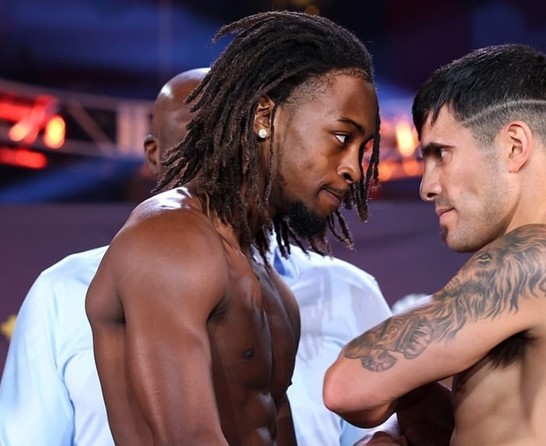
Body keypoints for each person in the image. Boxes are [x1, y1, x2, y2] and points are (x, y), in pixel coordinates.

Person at [0, 60, 391, 445]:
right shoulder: (162, 240)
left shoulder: (274, 287)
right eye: (199, 137)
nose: (216, 150)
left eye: (226, 132)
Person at [324, 43, 546, 446]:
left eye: (441, 154)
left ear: (514, 146)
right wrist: (421, 415)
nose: (428, 185)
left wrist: (403, 398)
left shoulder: (538, 252)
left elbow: (347, 388)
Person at [84, 11, 381, 445]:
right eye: (341, 137)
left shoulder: (272, 290)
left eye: (362, 149)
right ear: (264, 117)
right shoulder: (170, 238)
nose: (355, 169)